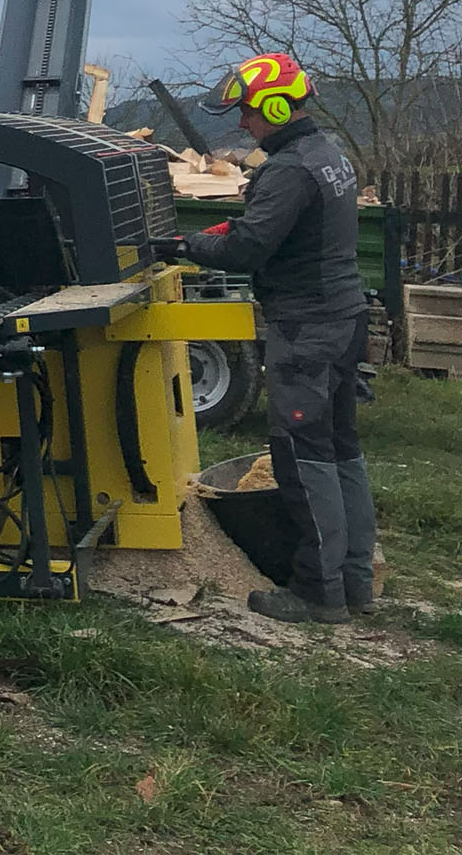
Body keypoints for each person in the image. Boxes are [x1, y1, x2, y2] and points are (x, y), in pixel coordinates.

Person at [148, 53, 375, 625]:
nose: (244, 124)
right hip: (343, 318)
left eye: (249, 113)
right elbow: (271, 229)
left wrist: (181, 246)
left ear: (276, 107)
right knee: (341, 451)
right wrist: (222, 230)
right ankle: (354, 581)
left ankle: (317, 592)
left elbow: (249, 249)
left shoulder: (290, 169)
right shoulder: (326, 156)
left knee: (302, 458)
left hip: (308, 329)